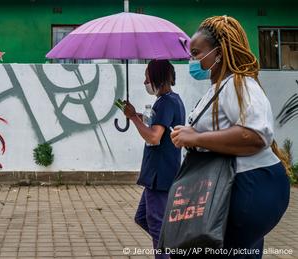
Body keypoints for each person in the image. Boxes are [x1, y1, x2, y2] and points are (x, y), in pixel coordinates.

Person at [171, 15, 290, 258]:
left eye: (196, 53)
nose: (192, 60)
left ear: (219, 52)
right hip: (234, 183)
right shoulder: (221, 87)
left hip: (248, 183)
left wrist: (194, 138)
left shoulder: (239, 83)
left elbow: (255, 134)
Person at [123, 59, 185, 259]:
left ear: (157, 77)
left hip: (160, 174)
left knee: (157, 224)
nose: (144, 82)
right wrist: (139, 116)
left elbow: (154, 136)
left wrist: (133, 118)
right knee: (144, 218)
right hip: (159, 174)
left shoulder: (166, 102)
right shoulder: (171, 100)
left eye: (147, 77)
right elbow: (158, 126)